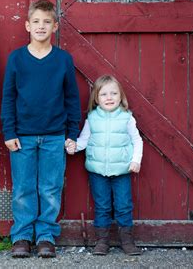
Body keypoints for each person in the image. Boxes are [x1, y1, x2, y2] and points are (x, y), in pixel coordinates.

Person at [1, 0, 81, 258]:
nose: (41, 26)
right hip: (22, 136)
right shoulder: (17, 59)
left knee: (50, 187)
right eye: (36, 21)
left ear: (55, 26)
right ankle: (22, 236)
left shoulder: (63, 60)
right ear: (27, 25)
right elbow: (8, 98)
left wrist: (72, 133)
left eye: (47, 22)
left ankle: (46, 236)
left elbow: (72, 98)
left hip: (54, 135)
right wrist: (9, 132)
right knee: (23, 187)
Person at [66, 74, 143, 256]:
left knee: (124, 205)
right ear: (96, 98)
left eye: (114, 94)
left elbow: (137, 140)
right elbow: (84, 140)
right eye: (104, 94)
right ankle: (102, 241)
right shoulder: (92, 118)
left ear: (120, 97)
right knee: (102, 206)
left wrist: (136, 160)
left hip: (122, 170)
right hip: (98, 171)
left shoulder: (127, 118)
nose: (109, 98)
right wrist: (73, 146)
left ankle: (127, 241)